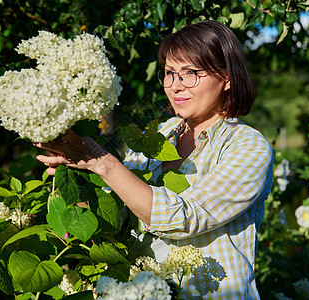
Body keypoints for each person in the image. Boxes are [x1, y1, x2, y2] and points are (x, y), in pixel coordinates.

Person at [35, 20, 273, 299]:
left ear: (227, 77)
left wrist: (101, 161)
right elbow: (118, 217)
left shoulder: (248, 146)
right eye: (170, 73)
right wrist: (74, 178)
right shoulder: (159, 136)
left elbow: (186, 216)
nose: (175, 86)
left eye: (190, 73)